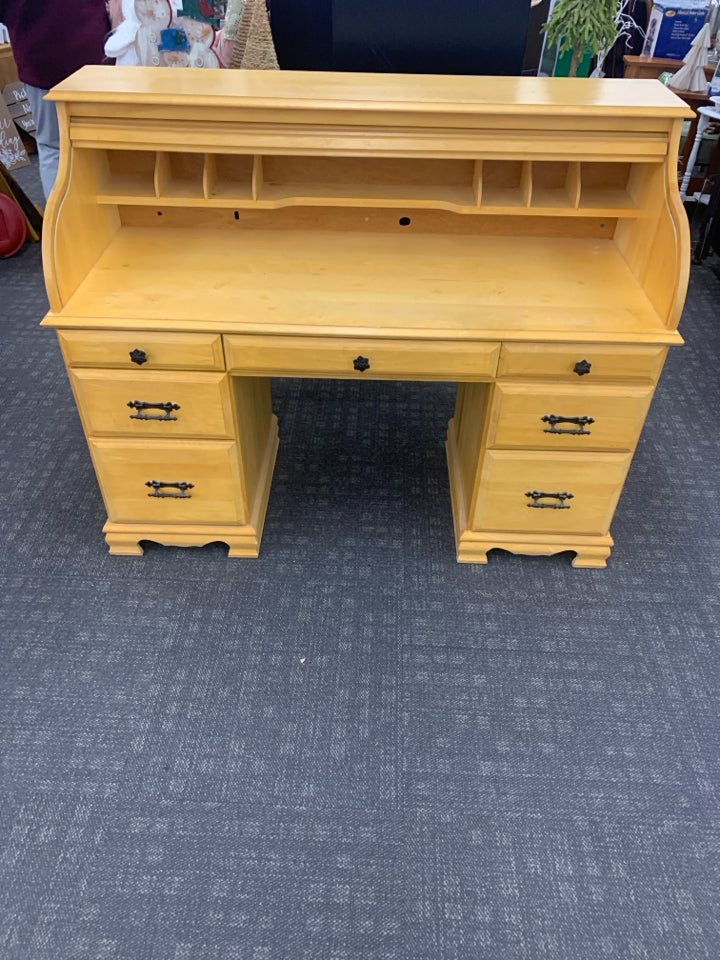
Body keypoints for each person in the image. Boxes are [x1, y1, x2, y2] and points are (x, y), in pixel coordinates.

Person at [0, 0, 110, 200]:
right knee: (106, 137)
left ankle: (61, 216)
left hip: (40, 53)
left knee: (54, 147)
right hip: (92, 47)